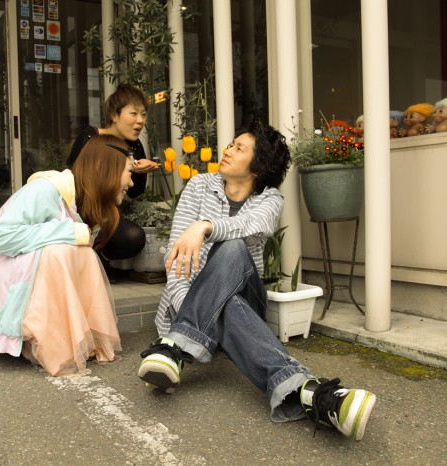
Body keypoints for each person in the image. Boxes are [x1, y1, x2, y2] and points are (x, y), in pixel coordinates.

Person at [137, 120, 377, 441]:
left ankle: (174, 347)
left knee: (233, 247)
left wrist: (205, 226)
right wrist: (198, 310)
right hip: (199, 308)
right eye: (231, 144)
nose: (227, 150)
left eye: (239, 148)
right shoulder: (198, 186)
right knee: (226, 303)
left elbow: (255, 224)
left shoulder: (270, 199)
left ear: (259, 166)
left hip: (246, 295)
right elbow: (176, 264)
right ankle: (311, 395)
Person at [0, 134, 136, 376]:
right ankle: (37, 341)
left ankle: (78, 339)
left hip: (21, 274)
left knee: (82, 253)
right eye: (129, 172)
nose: (131, 183)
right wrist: (69, 231)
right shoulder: (46, 188)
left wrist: (74, 233)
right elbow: (2, 237)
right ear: (103, 167)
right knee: (60, 251)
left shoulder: (84, 203)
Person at [67, 83, 160, 276]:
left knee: (134, 237)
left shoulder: (134, 145)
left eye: (143, 114)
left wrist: (138, 171)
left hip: (110, 214)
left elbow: (135, 192)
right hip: (81, 211)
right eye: (133, 114)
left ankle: (100, 259)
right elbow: (75, 180)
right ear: (114, 115)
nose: (140, 120)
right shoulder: (90, 137)